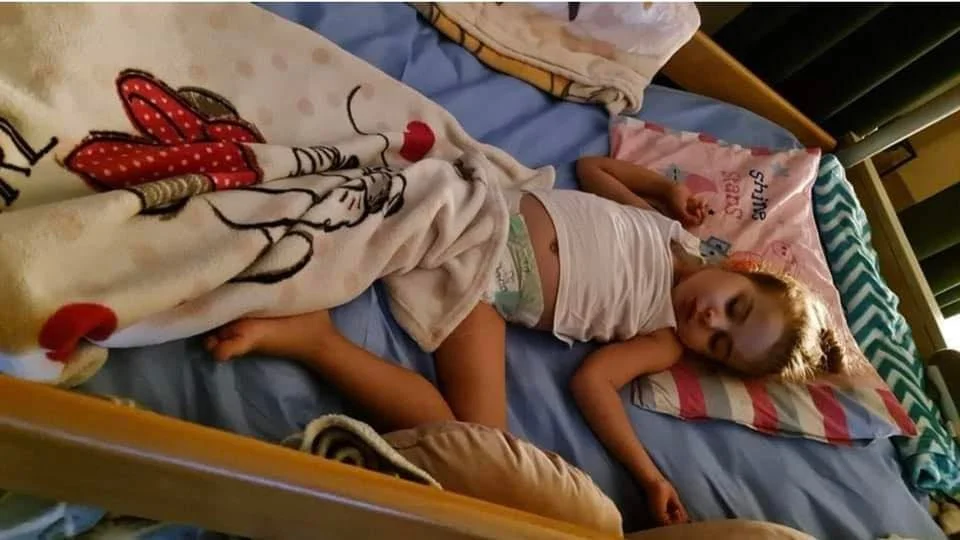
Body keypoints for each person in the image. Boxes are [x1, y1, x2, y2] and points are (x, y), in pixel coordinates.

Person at [203, 156, 847, 526]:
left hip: (485, 291)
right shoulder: (666, 229)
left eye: (721, 344)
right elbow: (592, 169)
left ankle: (318, 342)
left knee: (478, 445)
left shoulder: (665, 338)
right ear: (739, 269)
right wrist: (663, 189)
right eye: (735, 306)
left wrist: (648, 476)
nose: (711, 319)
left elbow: (593, 384)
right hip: (486, 209)